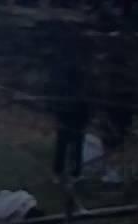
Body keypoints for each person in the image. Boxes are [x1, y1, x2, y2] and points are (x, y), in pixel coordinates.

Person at [47, 40, 93, 182]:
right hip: (70, 114)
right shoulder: (73, 78)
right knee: (68, 146)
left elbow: (86, 100)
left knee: (71, 146)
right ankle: (67, 173)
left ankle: (71, 173)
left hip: (74, 115)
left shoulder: (78, 78)